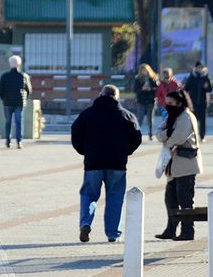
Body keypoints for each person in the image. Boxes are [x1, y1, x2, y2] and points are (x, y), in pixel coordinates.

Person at [71, 84, 142, 243]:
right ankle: (112, 233)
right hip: (117, 163)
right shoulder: (126, 116)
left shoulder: (87, 114)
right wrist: (126, 152)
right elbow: (137, 138)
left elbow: (75, 133)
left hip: (93, 163)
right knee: (115, 198)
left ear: (101, 94)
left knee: (89, 195)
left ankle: (85, 223)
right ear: (117, 97)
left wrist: (84, 151)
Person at [155, 89, 202, 241]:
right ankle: (171, 229)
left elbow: (177, 138)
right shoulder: (173, 116)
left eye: (170, 103)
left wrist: (166, 139)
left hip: (186, 165)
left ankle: (188, 231)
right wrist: (167, 137)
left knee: (185, 200)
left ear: (179, 102)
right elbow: (159, 133)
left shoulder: (186, 117)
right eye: (166, 103)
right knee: (170, 198)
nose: (167, 106)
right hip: (173, 166)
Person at [0, 55, 31, 149]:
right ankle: (19, 142)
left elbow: (0, 89)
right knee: (18, 122)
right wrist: (25, 99)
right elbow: (28, 89)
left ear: (9, 64)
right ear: (19, 64)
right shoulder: (23, 76)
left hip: (7, 102)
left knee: (8, 122)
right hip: (19, 103)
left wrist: (4, 98)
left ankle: (8, 141)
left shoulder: (4, 76)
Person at [183, 61, 212, 141]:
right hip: (193, 102)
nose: (200, 69)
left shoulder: (205, 76)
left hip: (202, 102)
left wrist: (207, 86)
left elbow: (210, 89)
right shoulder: (192, 76)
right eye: (198, 67)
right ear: (196, 68)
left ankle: (202, 136)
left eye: (201, 67)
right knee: (193, 120)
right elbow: (186, 88)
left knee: (202, 120)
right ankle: (194, 135)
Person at [134, 63, 159, 140]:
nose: (143, 72)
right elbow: (135, 89)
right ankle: (136, 133)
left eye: (145, 70)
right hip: (141, 100)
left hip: (150, 100)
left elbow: (157, 89)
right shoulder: (137, 79)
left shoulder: (153, 78)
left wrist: (150, 89)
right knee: (140, 117)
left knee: (150, 118)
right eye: (142, 70)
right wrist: (142, 89)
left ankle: (150, 132)